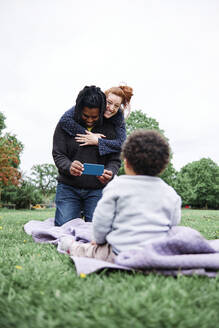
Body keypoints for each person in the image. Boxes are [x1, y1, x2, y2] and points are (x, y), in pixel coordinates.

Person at [60, 129, 182, 262]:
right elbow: (173, 225)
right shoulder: (170, 193)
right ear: (163, 166)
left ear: (126, 162)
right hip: (156, 253)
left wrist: (98, 240)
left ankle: (70, 246)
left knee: (88, 251)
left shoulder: (116, 186)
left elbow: (102, 220)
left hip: (118, 252)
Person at [52, 86, 121, 226]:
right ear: (78, 110)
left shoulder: (111, 127)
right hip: (68, 187)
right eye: (85, 116)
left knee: (98, 232)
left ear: (102, 111)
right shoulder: (65, 124)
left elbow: (115, 159)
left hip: (97, 189)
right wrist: (69, 166)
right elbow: (58, 154)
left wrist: (110, 172)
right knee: (64, 229)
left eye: (94, 117)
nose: (90, 120)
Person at [59, 85, 133, 156]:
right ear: (103, 99)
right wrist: (88, 134)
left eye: (116, 106)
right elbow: (65, 120)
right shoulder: (93, 102)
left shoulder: (119, 115)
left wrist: (98, 141)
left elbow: (123, 143)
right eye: (109, 102)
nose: (111, 108)